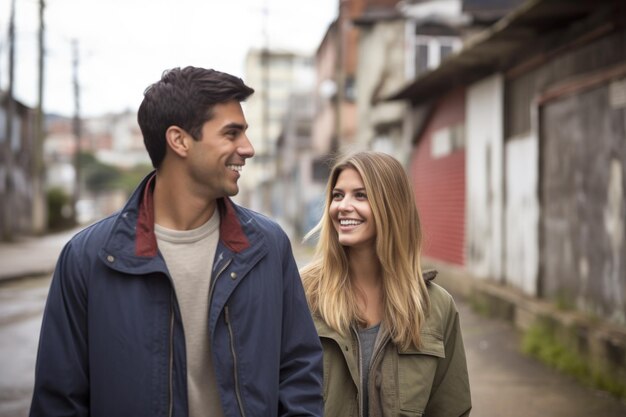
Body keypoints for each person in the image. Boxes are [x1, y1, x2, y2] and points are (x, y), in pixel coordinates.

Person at [29, 66, 323, 417]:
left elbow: (300, 372)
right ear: (179, 140)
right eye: (232, 133)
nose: (248, 148)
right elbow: (59, 401)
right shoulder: (88, 258)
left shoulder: (268, 247)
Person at [300, 151, 471, 417]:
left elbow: (450, 409)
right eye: (337, 195)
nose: (343, 205)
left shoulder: (436, 307)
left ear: (392, 206)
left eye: (360, 195)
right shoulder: (301, 294)